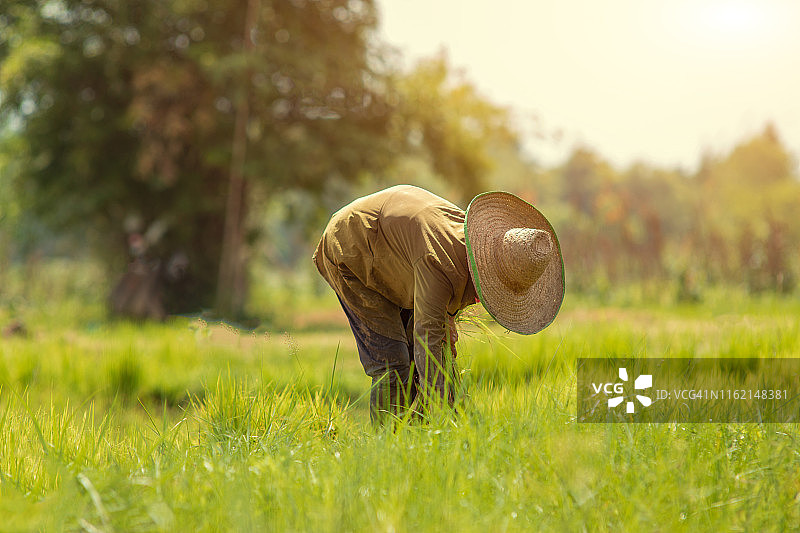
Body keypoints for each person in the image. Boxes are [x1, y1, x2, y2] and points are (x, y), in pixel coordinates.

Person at [313, 185, 564, 423]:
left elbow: (437, 333)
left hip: (398, 249)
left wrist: (448, 323)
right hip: (351, 245)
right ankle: (388, 446)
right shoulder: (440, 265)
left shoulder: (469, 246)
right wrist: (451, 414)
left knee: (418, 361)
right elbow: (429, 338)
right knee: (393, 363)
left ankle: (415, 439)